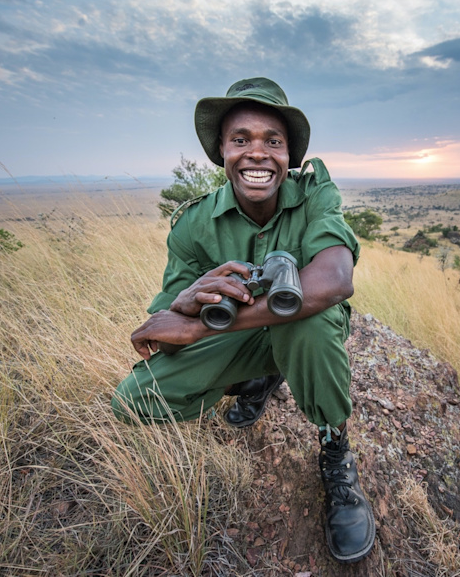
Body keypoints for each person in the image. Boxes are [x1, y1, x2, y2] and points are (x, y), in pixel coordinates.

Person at [111, 77, 376, 563]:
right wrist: (188, 304)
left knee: (306, 320)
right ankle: (260, 374)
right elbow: (166, 332)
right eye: (241, 140)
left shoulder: (314, 193)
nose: (257, 153)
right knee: (134, 402)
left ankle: (335, 450)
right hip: (243, 338)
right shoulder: (195, 223)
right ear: (221, 151)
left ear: (289, 155)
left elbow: (336, 279)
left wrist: (201, 328)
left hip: (302, 330)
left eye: (272, 141)